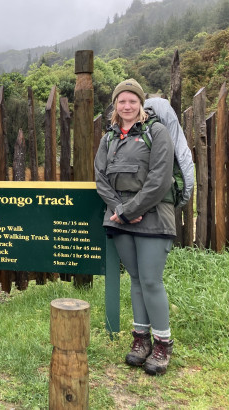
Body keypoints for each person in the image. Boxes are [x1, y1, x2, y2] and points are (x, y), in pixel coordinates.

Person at [94, 79, 176, 375]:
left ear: (141, 104)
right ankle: (140, 340)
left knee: (152, 280)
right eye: (121, 101)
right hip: (120, 217)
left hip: (153, 215)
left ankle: (162, 344)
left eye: (132, 101)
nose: (126, 106)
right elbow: (100, 178)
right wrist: (121, 210)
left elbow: (160, 179)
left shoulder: (157, 132)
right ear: (115, 106)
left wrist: (131, 210)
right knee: (136, 279)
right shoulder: (108, 138)